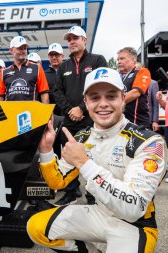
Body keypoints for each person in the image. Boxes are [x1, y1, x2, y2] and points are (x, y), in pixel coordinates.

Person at [27, 67, 168, 253]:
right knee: (36, 227)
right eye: (94, 98)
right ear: (85, 102)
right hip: (98, 213)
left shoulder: (149, 141)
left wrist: (85, 163)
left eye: (111, 96)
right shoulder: (81, 138)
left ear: (123, 99)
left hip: (135, 224)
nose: (103, 104)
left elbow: (133, 207)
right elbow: (57, 182)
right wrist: (45, 151)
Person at [54, 26, 107, 206]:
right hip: (70, 120)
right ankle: (71, 192)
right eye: (69, 39)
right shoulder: (63, 66)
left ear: (85, 40)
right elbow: (57, 91)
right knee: (68, 157)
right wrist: (71, 110)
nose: (72, 41)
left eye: (75, 38)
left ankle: (93, 194)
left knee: (93, 156)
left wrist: (82, 108)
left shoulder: (98, 60)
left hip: (92, 118)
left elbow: (100, 86)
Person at [0, 36, 49, 103]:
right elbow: (0, 97)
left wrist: (46, 112)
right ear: (11, 50)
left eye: (25, 48)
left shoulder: (37, 68)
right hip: (10, 112)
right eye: (20, 48)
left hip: (31, 112)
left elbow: (44, 93)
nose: (23, 51)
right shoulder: (4, 72)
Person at [117, 47, 151, 128]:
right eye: (118, 59)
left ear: (133, 60)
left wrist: (116, 103)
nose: (119, 62)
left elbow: (135, 92)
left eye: (122, 58)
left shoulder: (142, 72)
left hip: (138, 122)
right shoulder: (117, 76)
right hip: (120, 122)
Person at [136, 62, 160, 131]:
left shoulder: (152, 83)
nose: (135, 71)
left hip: (147, 119)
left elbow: (155, 104)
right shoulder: (132, 83)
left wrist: (155, 121)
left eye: (137, 69)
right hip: (134, 118)